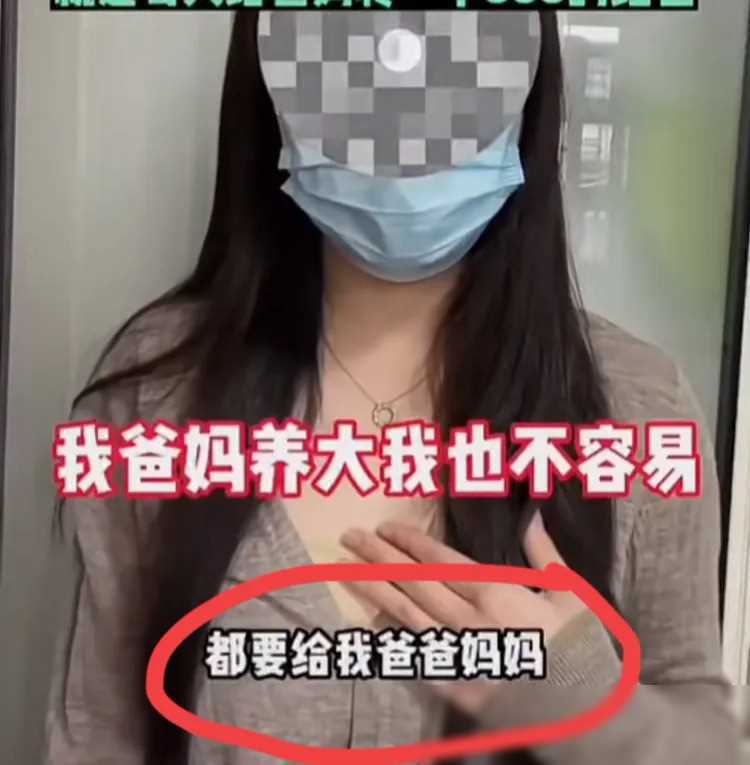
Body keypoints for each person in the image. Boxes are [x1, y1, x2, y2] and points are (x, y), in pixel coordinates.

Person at [45, 9, 740, 765]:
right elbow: (96, 742)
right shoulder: (154, 402)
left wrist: (586, 700)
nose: (403, 83)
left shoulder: (639, 413)